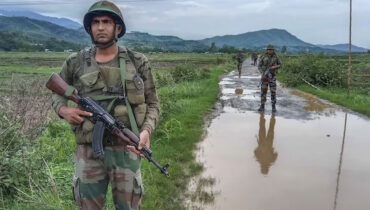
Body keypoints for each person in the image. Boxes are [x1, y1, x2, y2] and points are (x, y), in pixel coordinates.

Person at [51, 1, 160, 209]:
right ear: (89, 28)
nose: (100, 27)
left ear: (118, 27)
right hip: (89, 153)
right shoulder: (75, 62)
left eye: (107, 22)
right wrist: (64, 110)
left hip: (127, 149)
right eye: (96, 22)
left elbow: (153, 103)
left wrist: (146, 131)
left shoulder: (137, 61)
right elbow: (56, 92)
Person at [257, 44, 282, 113]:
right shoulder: (263, 56)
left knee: (273, 92)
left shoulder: (276, 57)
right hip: (265, 77)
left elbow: (280, 64)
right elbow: (259, 66)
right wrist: (262, 73)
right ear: (267, 50)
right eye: (268, 49)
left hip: (272, 77)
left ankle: (273, 107)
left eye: (271, 50)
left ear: (273, 50)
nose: (270, 51)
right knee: (263, 92)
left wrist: (274, 67)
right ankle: (262, 106)